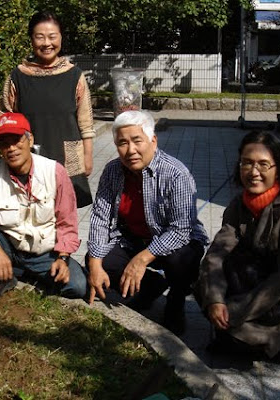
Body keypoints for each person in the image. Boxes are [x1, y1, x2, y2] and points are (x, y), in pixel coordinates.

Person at [86, 110, 208, 335]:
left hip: (174, 242)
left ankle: (176, 302)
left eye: (137, 141)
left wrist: (141, 260)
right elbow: (100, 219)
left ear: (153, 140)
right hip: (132, 238)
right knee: (98, 258)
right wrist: (93, 265)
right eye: (122, 143)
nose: (130, 150)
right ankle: (150, 287)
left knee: (182, 260)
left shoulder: (176, 173)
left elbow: (181, 229)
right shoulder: (112, 171)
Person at [0, 112, 87, 304]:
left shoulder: (55, 172)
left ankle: (26, 273)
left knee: (78, 286)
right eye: (4, 143)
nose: (11, 148)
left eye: (16, 140)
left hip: (44, 252)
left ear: (29, 139)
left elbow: (67, 223)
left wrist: (63, 258)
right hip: (8, 246)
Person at [197, 130, 280, 361]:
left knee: (237, 332)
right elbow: (217, 253)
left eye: (264, 165)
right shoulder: (238, 206)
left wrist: (234, 311)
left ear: (279, 170)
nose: (254, 172)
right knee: (204, 287)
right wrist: (215, 299)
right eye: (247, 163)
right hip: (250, 290)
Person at [0, 11, 95, 208]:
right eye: (39, 37)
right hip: (29, 157)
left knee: (66, 217)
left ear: (61, 38)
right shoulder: (18, 76)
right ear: (31, 40)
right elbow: (4, 116)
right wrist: (10, 150)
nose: (46, 43)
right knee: (31, 215)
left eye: (52, 36)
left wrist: (87, 155)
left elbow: (85, 121)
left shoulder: (74, 75)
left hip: (68, 158)